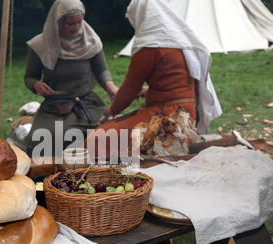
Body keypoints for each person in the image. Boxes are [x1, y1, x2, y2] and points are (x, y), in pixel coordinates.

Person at [85, 0, 222, 160]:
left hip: (169, 119)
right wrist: (150, 91)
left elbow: (129, 92)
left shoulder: (149, 48)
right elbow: (176, 81)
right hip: (188, 114)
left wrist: (112, 110)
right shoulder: (179, 42)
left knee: (98, 138)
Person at [21, 0, 119, 158]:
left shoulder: (90, 41)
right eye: (70, 23)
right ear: (58, 22)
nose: (76, 27)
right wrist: (36, 84)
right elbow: (29, 77)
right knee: (37, 141)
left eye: (79, 22)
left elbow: (101, 70)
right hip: (55, 105)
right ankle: (51, 173)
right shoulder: (41, 45)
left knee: (88, 135)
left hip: (85, 103)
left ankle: (84, 168)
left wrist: (111, 87)